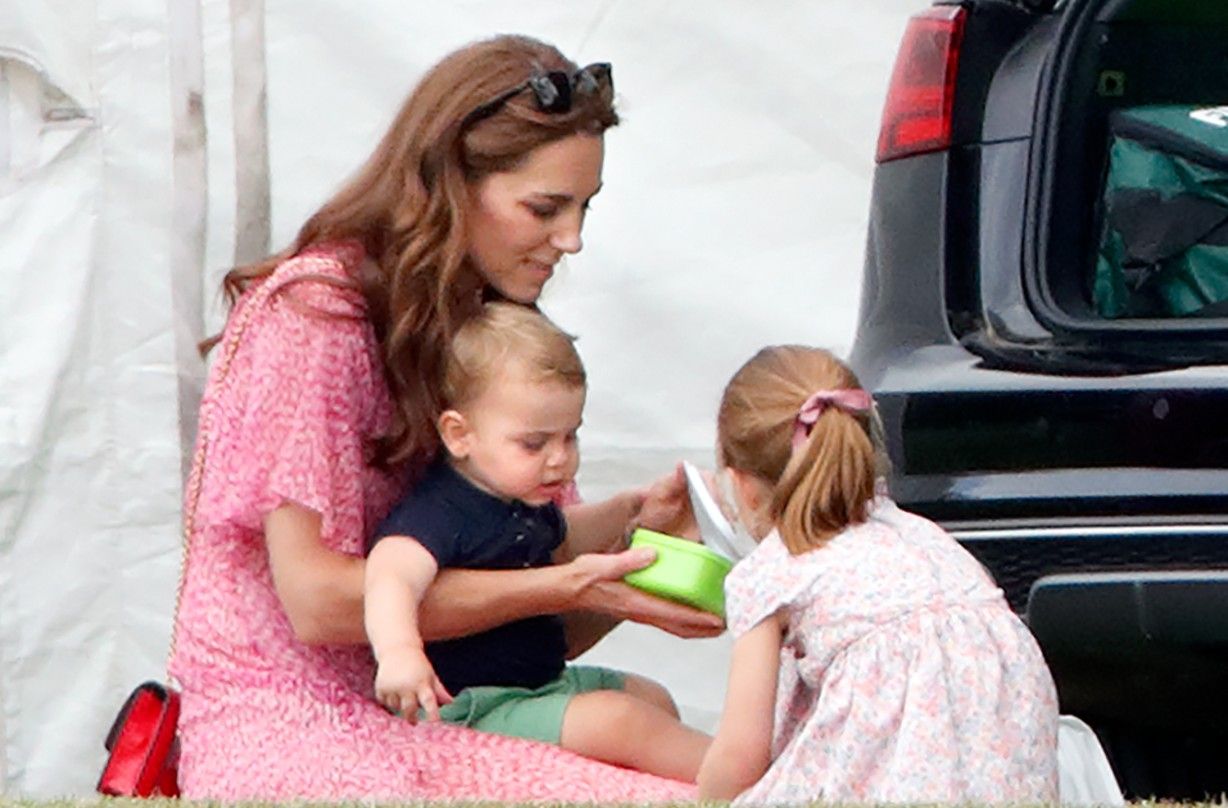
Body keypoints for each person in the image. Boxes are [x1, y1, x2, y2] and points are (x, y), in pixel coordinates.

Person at [168, 34, 722, 802]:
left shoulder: (494, 335)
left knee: (654, 736)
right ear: (449, 183)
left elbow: (520, 642)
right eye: (545, 208)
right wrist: (569, 586)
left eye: (583, 208)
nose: (572, 240)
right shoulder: (315, 315)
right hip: (298, 727)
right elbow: (319, 604)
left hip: (450, 711)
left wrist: (639, 559)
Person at [695, 345, 1059, 804]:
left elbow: (740, 757)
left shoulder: (771, 570)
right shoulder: (923, 536)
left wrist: (708, 793)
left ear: (741, 485)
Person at [365, 302, 711, 782]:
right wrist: (400, 652)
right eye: (535, 443)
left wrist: (634, 510)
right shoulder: (442, 511)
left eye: (571, 437)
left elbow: (565, 536)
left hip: (539, 683)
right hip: (472, 704)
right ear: (459, 435)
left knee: (648, 697)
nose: (559, 460)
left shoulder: (522, 497)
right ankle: (751, 782)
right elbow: (389, 573)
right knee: (623, 722)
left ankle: (669, 780)